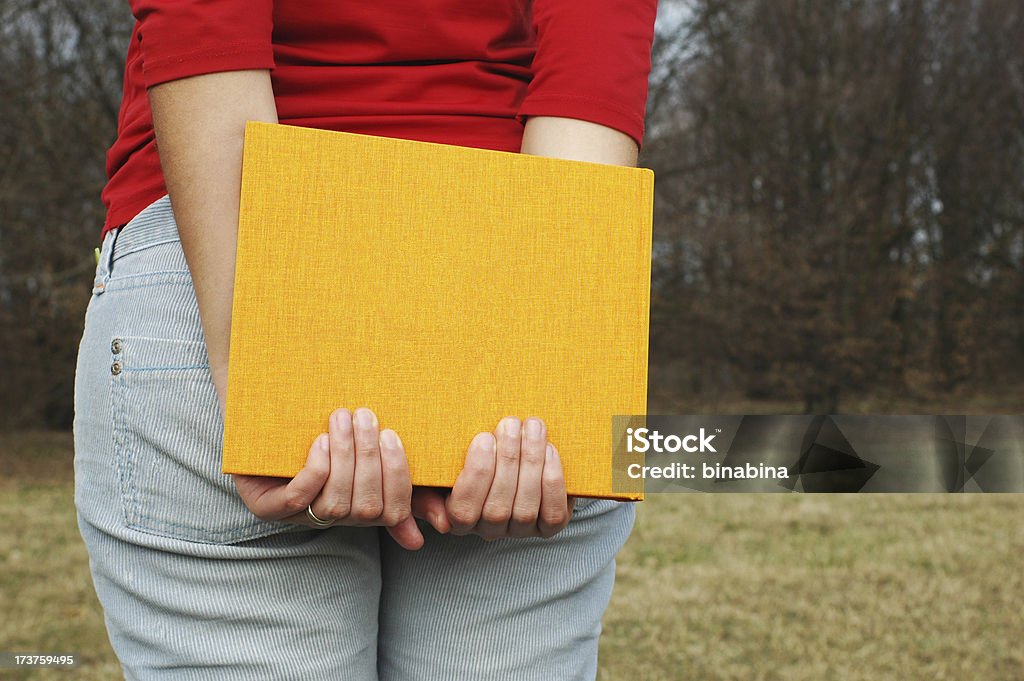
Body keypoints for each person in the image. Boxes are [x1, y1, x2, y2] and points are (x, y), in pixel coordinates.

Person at [73, 1, 658, 679]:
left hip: (218, 246)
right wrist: (544, 352)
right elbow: (597, 40)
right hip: (511, 244)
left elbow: (202, 18)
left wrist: (253, 357)